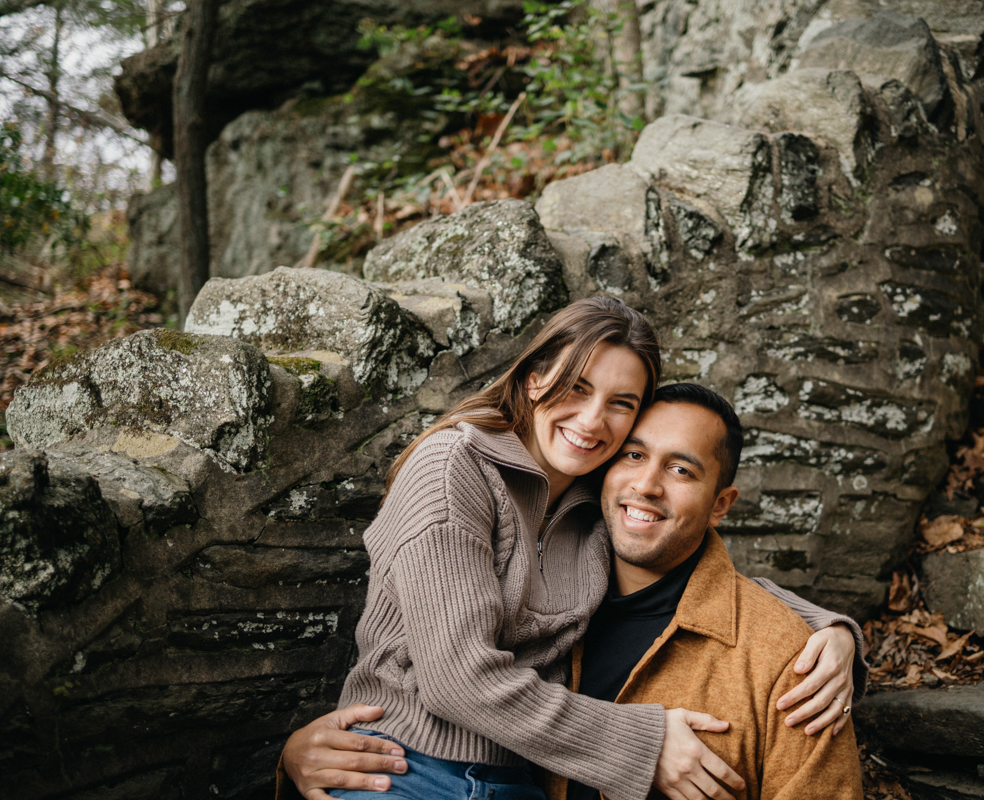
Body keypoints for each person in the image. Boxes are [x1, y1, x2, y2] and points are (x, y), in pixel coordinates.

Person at [277, 297, 866, 800]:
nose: (592, 419)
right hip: (402, 770)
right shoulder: (452, 468)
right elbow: (456, 676)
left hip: (518, 784)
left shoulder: (593, 501)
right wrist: (644, 742)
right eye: (576, 387)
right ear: (534, 378)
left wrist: (830, 631)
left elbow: (684, 576)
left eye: (620, 403)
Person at [547, 382, 864, 800]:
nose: (646, 485)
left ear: (720, 504)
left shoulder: (793, 664)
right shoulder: (535, 600)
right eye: (634, 455)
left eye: (681, 470)